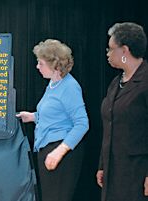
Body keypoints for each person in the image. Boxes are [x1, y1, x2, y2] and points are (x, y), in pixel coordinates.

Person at [16, 39, 89, 201]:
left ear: (55, 66)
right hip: (48, 149)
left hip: (61, 153)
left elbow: (82, 124)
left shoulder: (70, 87)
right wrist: (33, 116)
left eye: (40, 63)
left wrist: (59, 152)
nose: (37, 67)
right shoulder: (53, 83)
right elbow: (55, 115)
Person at [96, 22, 148, 201]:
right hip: (113, 170)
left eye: (111, 49)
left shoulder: (145, 81)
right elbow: (110, 124)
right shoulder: (115, 83)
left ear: (124, 51)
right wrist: (103, 164)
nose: (107, 54)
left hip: (137, 173)